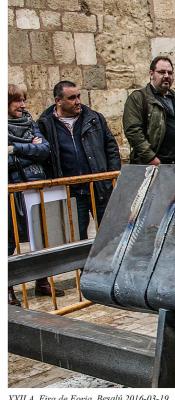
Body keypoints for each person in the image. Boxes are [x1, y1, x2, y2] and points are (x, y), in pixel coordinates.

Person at [37, 80, 121, 241]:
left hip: (99, 187)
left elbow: (111, 147)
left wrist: (111, 176)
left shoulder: (94, 118)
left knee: (110, 235)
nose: (77, 101)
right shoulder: (45, 124)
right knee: (77, 238)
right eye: (72, 98)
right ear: (58, 101)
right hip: (71, 192)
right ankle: (83, 267)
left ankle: (108, 266)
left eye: (78, 96)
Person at [7, 84, 62, 302]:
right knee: (9, 240)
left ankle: (41, 280)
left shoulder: (30, 123)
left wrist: (16, 148)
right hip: (12, 189)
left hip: (35, 184)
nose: (23, 105)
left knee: (41, 236)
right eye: (17, 101)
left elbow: (44, 150)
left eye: (23, 99)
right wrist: (30, 149)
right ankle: (8, 287)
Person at [123, 56, 175, 165]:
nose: (166, 76)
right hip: (155, 166)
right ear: (151, 74)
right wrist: (151, 159)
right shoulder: (139, 98)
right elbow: (133, 131)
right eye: (162, 72)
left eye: (170, 73)